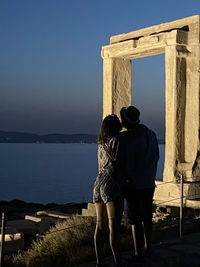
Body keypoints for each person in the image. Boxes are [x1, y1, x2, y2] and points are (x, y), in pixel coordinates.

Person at [117, 106, 159, 263]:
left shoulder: (126, 138)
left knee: (134, 220)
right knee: (147, 217)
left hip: (133, 184)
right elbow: (156, 156)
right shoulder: (152, 134)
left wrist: (126, 179)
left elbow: (127, 163)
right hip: (149, 182)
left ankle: (138, 253)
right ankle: (148, 247)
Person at [93, 114, 124, 267]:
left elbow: (100, 167)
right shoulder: (117, 141)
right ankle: (118, 262)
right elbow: (120, 164)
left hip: (98, 184)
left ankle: (100, 262)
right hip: (111, 184)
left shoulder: (100, 144)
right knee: (114, 227)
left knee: (100, 226)